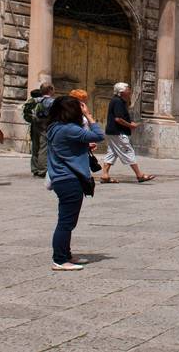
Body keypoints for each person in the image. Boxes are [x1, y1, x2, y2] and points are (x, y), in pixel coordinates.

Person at [45, 94, 103, 270]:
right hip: (70, 179)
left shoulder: (55, 127)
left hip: (61, 178)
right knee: (66, 222)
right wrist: (89, 115)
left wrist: (84, 145)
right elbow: (99, 135)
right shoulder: (70, 128)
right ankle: (60, 260)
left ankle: (66, 254)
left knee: (67, 220)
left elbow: (67, 148)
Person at [99, 83, 153, 184]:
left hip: (112, 131)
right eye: (128, 89)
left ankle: (105, 175)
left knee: (112, 153)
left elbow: (119, 117)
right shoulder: (118, 101)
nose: (130, 91)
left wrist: (129, 123)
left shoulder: (117, 101)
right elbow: (118, 119)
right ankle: (140, 175)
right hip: (118, 132)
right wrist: (130, 125)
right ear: (122, 92)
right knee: (128, 151)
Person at [24, 84, 55, 178]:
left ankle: (35, 169)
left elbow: (26, 113)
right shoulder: (52, 102)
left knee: (35, 147)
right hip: (46, 126)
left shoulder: (34, 100)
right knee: (44, 148)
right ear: (50, 90)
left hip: (35, 125)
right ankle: (42, 170)